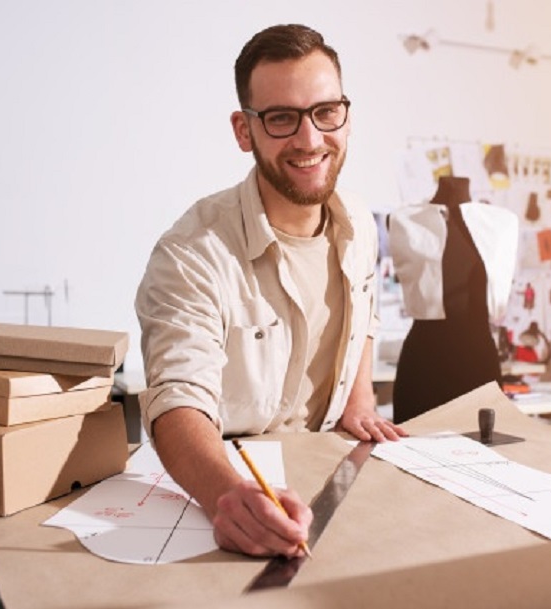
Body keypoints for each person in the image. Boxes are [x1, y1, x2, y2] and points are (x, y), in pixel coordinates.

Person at [134, 24, 406, 559]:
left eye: (326, 112)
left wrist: (359, 399)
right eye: (282, 118)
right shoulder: (192, 252)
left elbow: (365, 312)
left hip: (329, 472)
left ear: (345, 115)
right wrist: (224, 495)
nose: (309, 140)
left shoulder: (359, 225)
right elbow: (177, 398)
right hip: (235, 481)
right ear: (244, 130)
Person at [388, 175, 518, 423]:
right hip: (423, 361)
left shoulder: (501, 222)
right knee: (413, 454)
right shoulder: (404, 220)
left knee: (486, 453)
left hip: (479, 361)